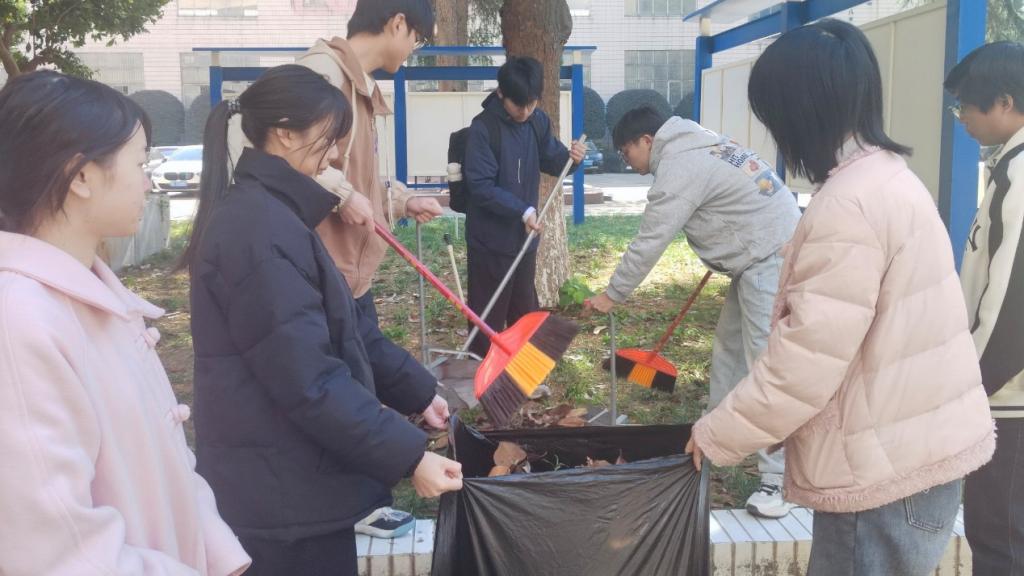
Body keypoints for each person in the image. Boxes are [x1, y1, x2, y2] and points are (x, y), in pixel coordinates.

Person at [685, 19, 995, 576]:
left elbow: (805, 361)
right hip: (915, 451)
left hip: (882, 475)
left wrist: (717, 434)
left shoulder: (847, 207)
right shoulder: (891, 176)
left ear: (800, 113)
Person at [184, 65, 463, 576]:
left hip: (292, 480)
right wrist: (410, 458)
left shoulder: (276, 217)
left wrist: (418, 391)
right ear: (286, 133)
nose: (335, 155)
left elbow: (343, 328)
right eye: (329, 139)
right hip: (280, 498)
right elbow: (309, 380)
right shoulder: (257, 232)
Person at [0, 71, 250, 576]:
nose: (148, 180)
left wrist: (220, 557)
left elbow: (170, 461)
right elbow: (58, 552)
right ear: (81, 176)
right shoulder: (18, 319)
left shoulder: (92, 297)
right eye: (140, 163)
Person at [227, 0, 449, 538]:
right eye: (418, 39)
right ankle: (346, 500)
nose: (330, 156)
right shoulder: (320, 76)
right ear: (398, 23)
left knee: (356, 371)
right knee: (332, 381)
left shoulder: (364, 91)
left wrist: (399, 201)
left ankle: (355, 498)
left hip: (348, 271)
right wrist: (343, 194)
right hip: (317, 270)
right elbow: (267, 153)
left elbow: (362, 181)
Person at [586, 105, 800, 518]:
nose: (629, 163)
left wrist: (613, 293)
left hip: (770, 256)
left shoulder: (679, 166)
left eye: (627, 152)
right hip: (757, 254)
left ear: (647, 140)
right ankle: (711, 441)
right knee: (729, 354)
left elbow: (651, 239)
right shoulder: (700, 142)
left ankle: (780, 479)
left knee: (765, 366)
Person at [946, 40, 1024, 576]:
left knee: (1000, 540)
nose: (961, 119)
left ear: (1003, 101)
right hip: (1004, 387)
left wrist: (973, 385)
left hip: (1008, 392)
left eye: (965, 106)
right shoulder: (1008, 166)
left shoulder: (1019, 174)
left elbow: (1011, 293)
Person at [462, 56, 586, 357]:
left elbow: (552, 160)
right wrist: (523, 210)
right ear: (501, 93)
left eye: (531, 104)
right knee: (487, 317)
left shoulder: (537, 121)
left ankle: (524, 369)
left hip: (524, 240)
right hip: (490, 241)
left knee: (524, 311)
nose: (525, 111)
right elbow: (480, 186)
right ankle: (481, 368)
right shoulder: (483, 129)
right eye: (519, 105)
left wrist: (572, 160)